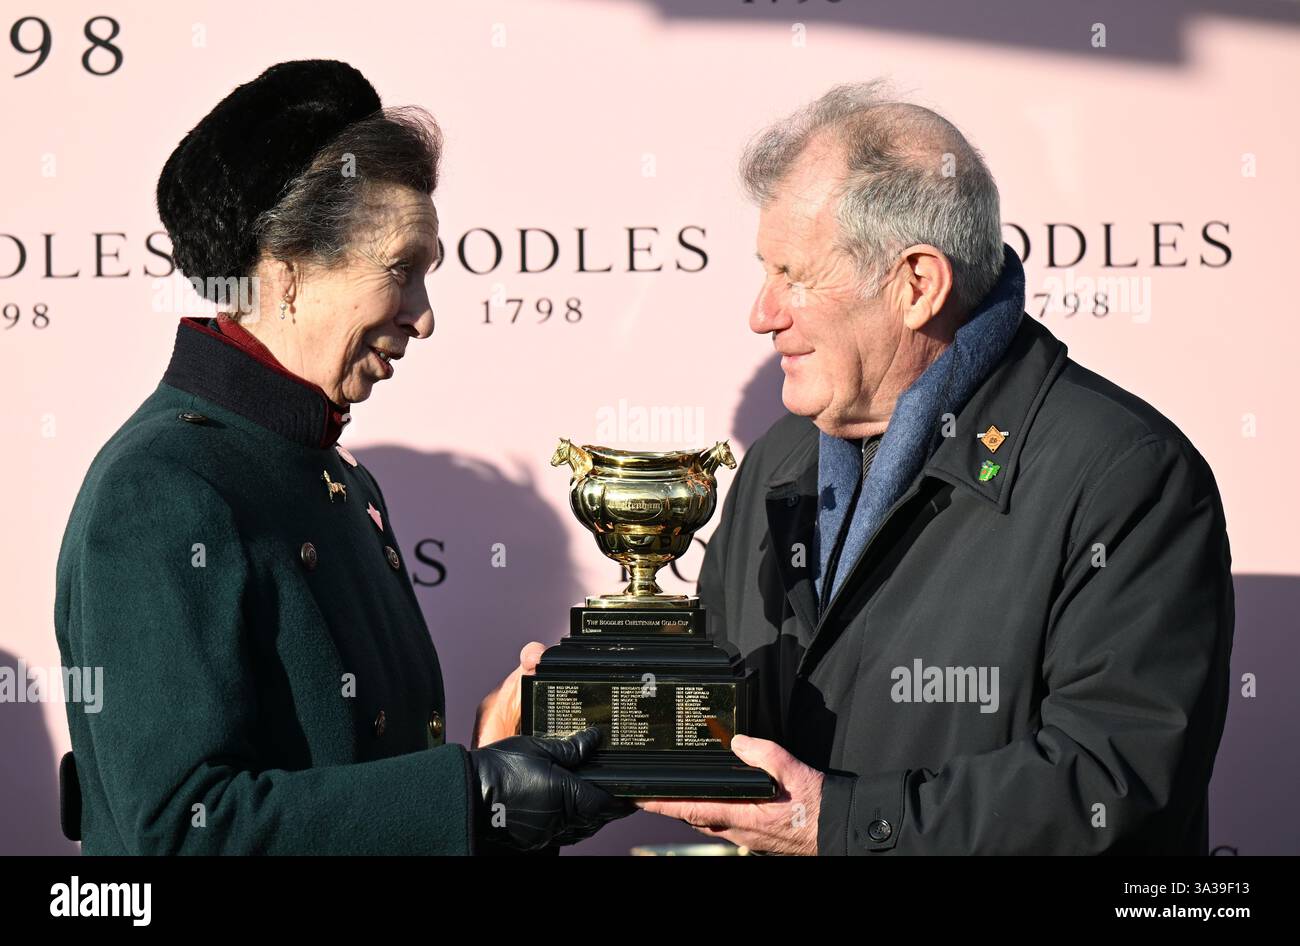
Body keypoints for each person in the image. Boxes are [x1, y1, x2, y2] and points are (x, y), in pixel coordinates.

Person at [640, 82, 1235, 854]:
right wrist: (620, 702)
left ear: (916, 284)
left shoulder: (1129, 476)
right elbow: (728, 724)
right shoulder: (776, 466)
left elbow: (1113, 783)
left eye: (794, 275)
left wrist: (842, 824)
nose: (763, 312)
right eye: (765, 270)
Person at [53, 59, 629, 855]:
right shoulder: (162, 488)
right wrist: (471, 796)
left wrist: (484, 759)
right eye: (402, 270)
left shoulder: (340, 478)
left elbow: (349, 775)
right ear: (286, 272)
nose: (423, 319)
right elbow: (183, 829)